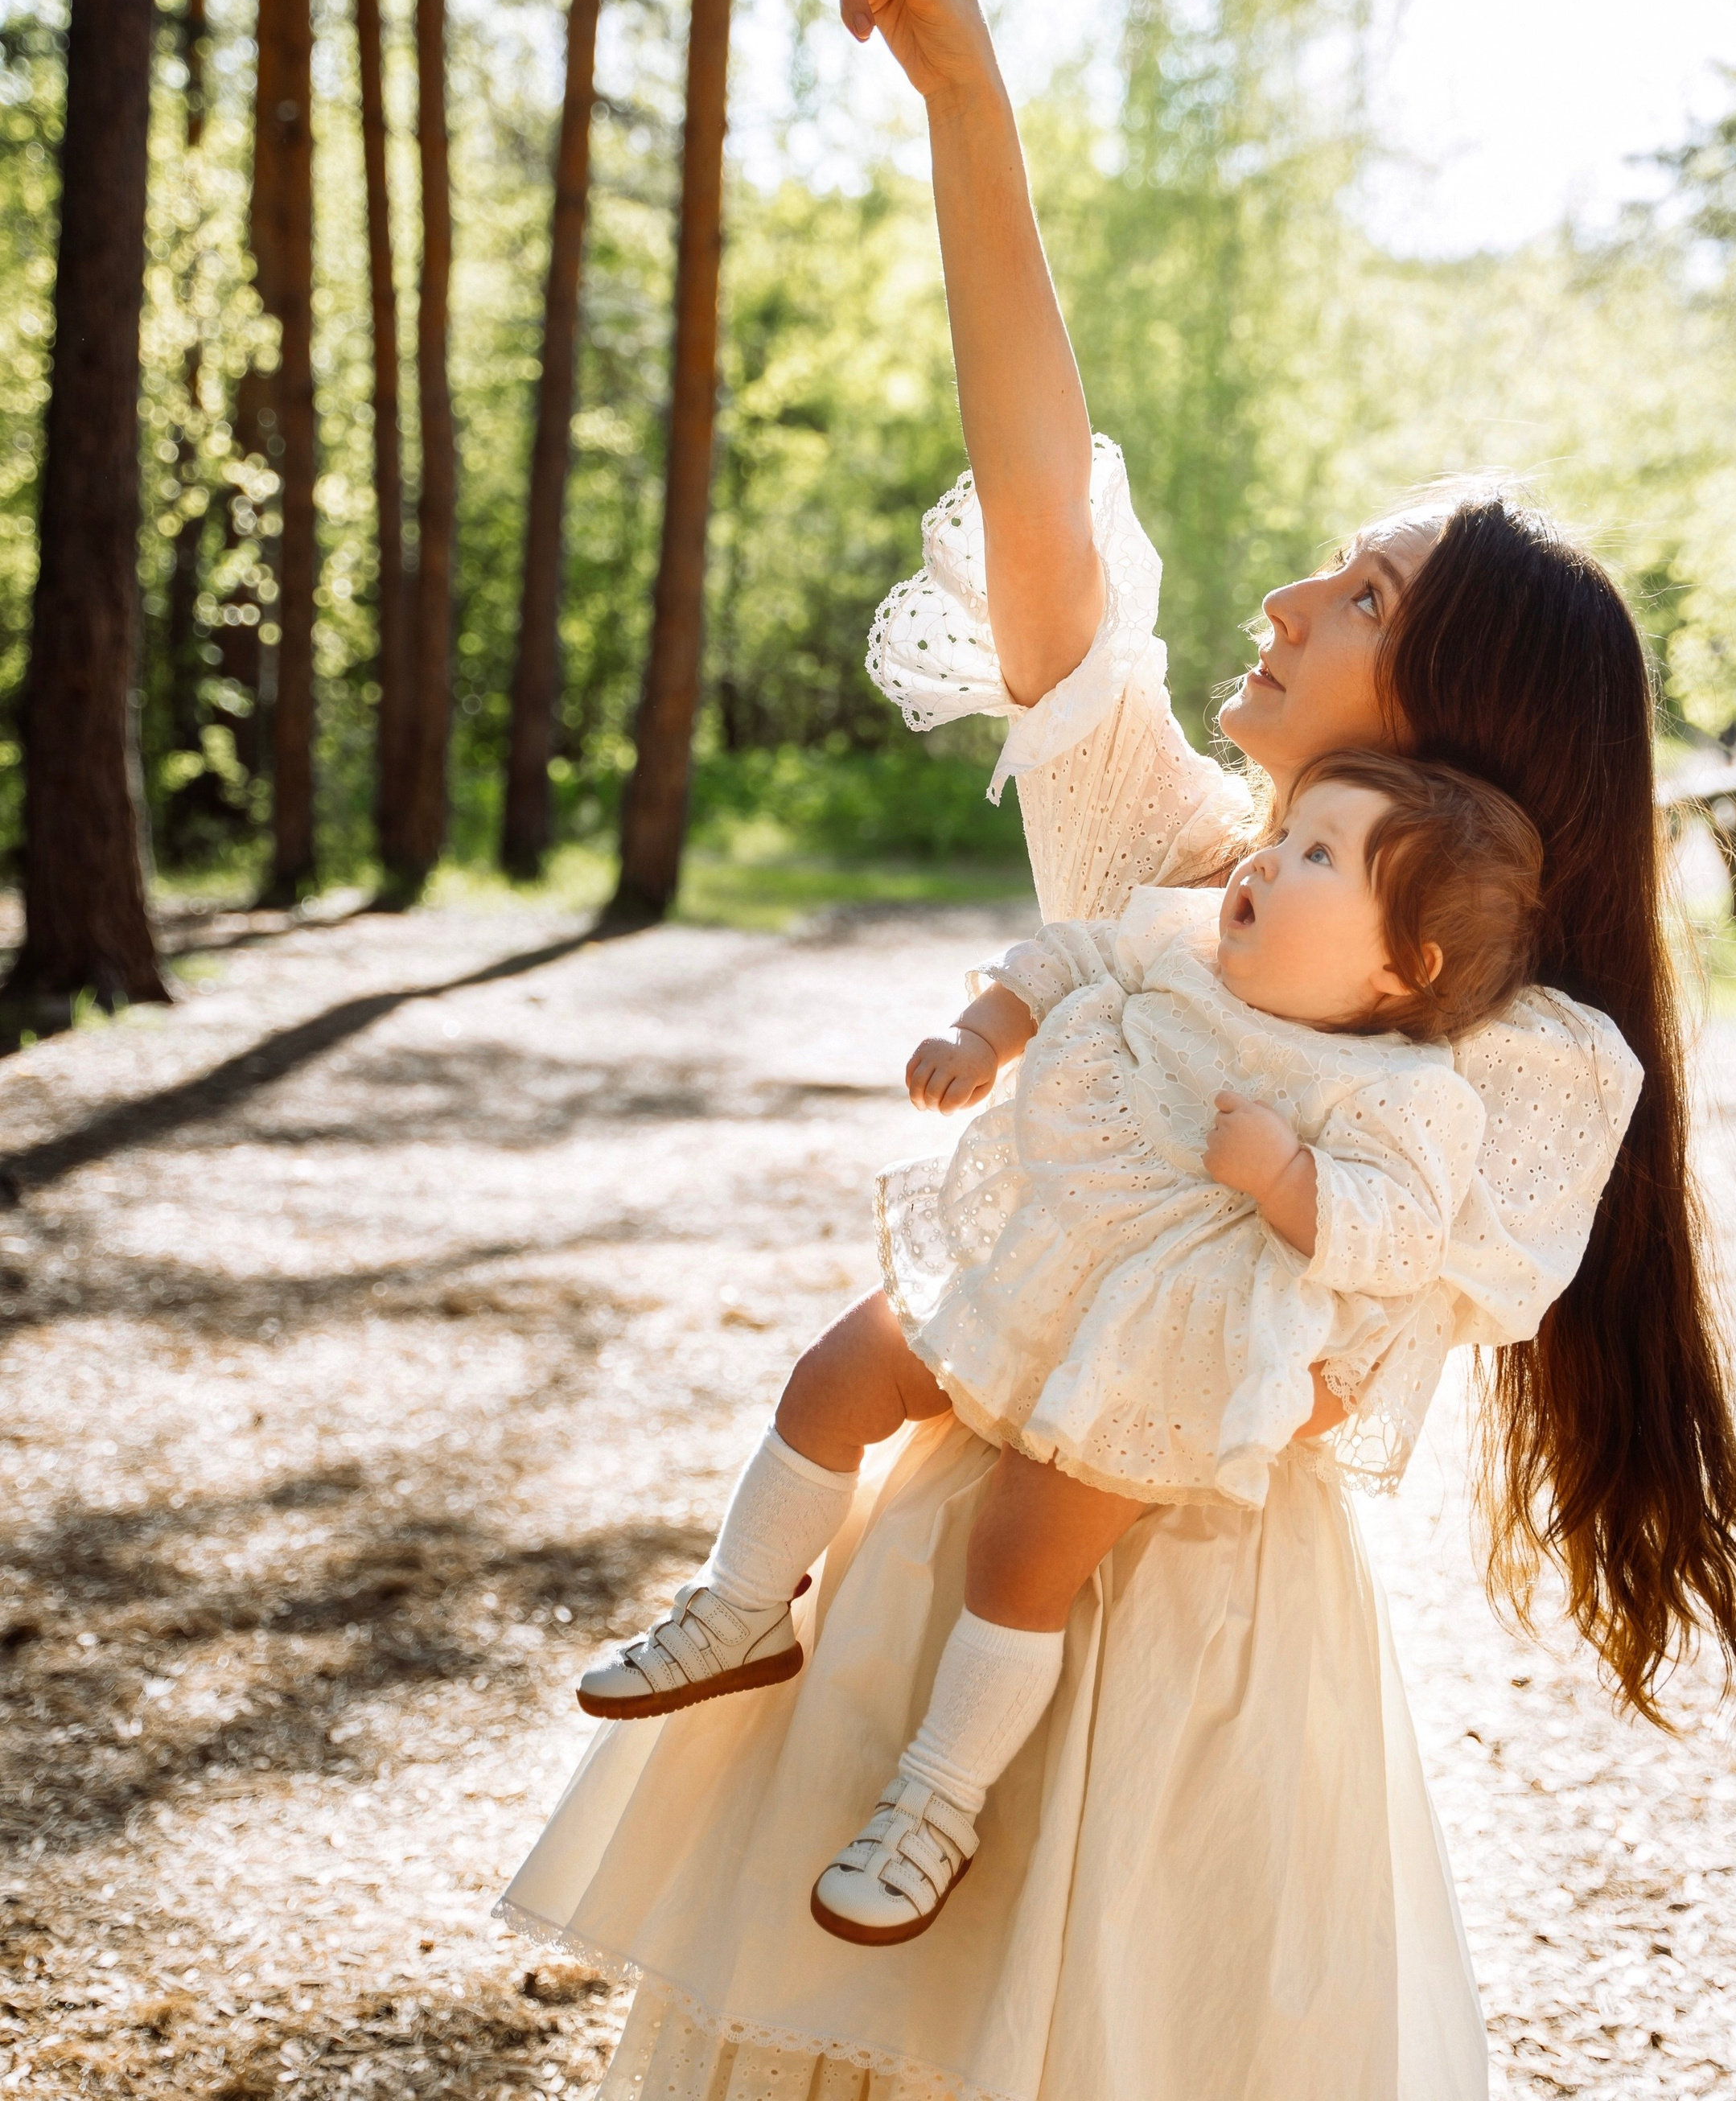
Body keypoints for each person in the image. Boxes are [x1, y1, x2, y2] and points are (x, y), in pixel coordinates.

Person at [497, 0, 1736, 2101]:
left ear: (1457, 715)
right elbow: (1044, 502)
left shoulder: (1512, 1069)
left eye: (1362, 591)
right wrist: (970, 110)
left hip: (1196, 1693)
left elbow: (1366, 1298)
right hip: (926, 1593)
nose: (1289, 594)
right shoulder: (1162, 868)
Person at [572, 753, 1561, 1949]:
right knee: (835, 1374)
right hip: (1031, 1259)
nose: (1264, 857)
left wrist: (1290, 1179)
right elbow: (1066, 956)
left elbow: (1401, 1238)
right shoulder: (1184, 950)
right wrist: (982, 1032)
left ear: (1403, 967)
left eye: (1317, 855)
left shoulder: (1404, 1092)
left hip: (1153, 1350)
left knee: (1019, 1556)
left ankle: (934, 1802)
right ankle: (738, 1608)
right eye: (1283, 828)